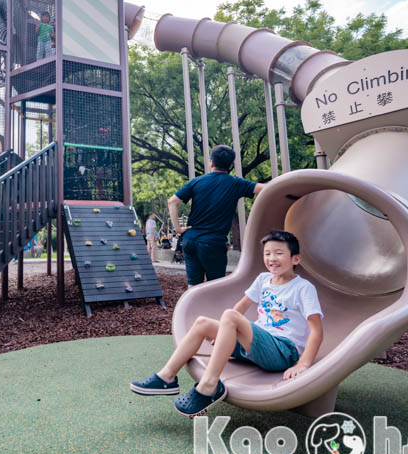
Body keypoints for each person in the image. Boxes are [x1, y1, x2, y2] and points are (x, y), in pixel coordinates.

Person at [129, 230, 323, 417]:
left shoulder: (303, 288)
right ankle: (167, 377)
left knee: (229, 316)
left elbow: (316, 330)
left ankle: (209, 385)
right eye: (267, 253)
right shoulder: (264, 279)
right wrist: (225, 333)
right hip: (256, 346)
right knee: (202, 323)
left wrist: (303, 364)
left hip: (282, 351)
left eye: (279, 253)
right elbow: (243, 304)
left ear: (295, 259)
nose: (272, 258)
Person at [168, 145, 265, 286]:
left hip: (190, 240)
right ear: (231, 165)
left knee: (193, 287)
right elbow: (265, 188)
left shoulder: (196, 182)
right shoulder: (236, 183)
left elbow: (172, 201)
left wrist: (178, 229)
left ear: (211, 162)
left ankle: (193, 309)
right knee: (215, 288)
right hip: (213, 243)